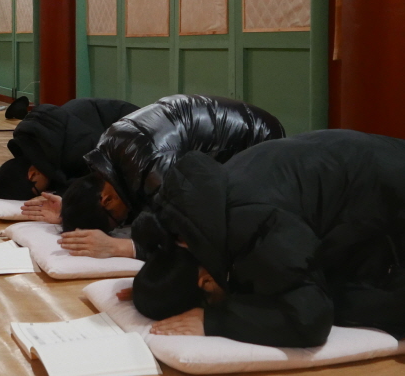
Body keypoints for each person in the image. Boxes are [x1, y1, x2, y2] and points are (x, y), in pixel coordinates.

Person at [126, 130, 405, 352]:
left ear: (204, 279)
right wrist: (154, 281)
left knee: (388, 300)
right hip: (364, 163)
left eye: (206, 295)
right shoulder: (191, 213)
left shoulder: (253, 224)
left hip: (402, 193)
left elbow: (309, 321)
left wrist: (215, 319)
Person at [23, 94, 286, 259]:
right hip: (231, 129)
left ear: (106, 200)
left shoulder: (155, 167)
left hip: (258, 140)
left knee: (233, 225)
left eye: (116, 222)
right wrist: (70, 209)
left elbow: (194, 232)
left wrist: (122, 248)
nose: (122, 223)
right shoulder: (108, 152)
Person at [0, 98, 139, 201]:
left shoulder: (77, 148)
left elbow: (104, 180)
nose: (43, 192)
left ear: (32, 174)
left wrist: (64, 195)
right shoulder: (37, 143)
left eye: (38, 191)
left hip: (139, 129)